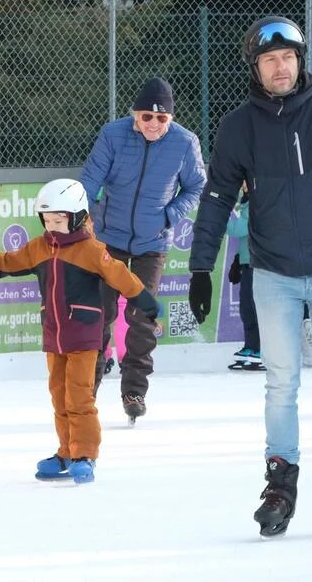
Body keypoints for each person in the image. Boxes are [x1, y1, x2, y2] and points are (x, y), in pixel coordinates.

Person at [187, 16, 312, 538]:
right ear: (256, 66)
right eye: (270, 59)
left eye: (289, 58)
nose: (281, 67)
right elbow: (216, 198)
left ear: (300, 62)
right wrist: (200, 266)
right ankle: (281, 480)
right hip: (272, 271)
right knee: (280, 384)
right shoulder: (238, 126)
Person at [0, 179, 160, 482]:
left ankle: (85, 454)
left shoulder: (90, 250)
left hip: (84, 336)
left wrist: (147, 303)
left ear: (76, 217)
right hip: (54, 337)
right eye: (47, 220)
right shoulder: (39, 247)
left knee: (79, 398)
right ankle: (65, 451)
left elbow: (121, 276)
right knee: (59, 397)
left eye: (58, 220)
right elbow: (7, 262)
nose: (52, 226)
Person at [79, 77, 205, 422]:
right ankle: (85, 387)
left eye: (161, 119)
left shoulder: (184, 143)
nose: (153, 124)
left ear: (171, 120)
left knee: (142, 316)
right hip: (109, 238)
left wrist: (169, 214)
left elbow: (196, 186)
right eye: (146, 116)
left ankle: (134, 389)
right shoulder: (113, 135)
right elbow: (90, 181)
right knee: (99, 314)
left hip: (152, 243)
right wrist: (85, 220)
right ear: (135, 115)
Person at [226, 183, 262, 371]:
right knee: (247, 307)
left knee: (254, 308)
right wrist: (238, 259)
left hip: (259, 264)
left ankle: (260, 348)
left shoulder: (257, 204)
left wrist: (221, 215)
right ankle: (251, 346)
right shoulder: (247, 204)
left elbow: (238, 229)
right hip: (248, 263)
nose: (242, 186)